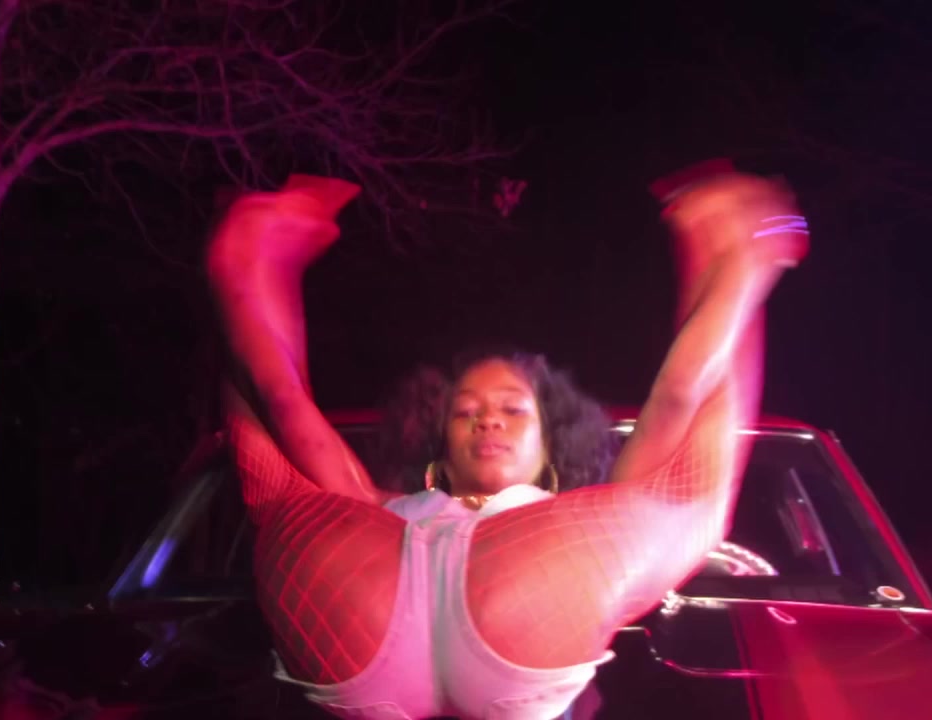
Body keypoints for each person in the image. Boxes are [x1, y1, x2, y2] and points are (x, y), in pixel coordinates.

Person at [206, 162, 808, 720]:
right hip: (498, 616)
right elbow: (675, 398)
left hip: (360, 621)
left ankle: (252, 262)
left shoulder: (558, 516)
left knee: (276, 475)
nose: (487, 421)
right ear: (440, 452)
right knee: (691, 499)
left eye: (512, 409)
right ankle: (729, 245)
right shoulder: (565, 523)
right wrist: (732, 285)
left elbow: (287, 408)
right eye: (465, 412)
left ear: (551, 447)